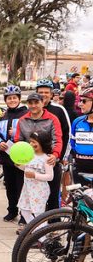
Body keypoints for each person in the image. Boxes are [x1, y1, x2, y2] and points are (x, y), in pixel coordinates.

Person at [13, 93, 63, 214]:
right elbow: (18, 140)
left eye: (36, 102)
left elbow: (57, 139)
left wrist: (55, 155)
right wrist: (18, 158)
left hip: (47, 160)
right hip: (29, 162)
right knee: (26, 196)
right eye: (30, 103)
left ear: (42, 103)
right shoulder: (22, 120)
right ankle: (27, 225)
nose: (33, 105)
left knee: (52, 196)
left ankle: (53, 225)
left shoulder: (53, 119)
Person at [36, 79, 72, 212]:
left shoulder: (59, 110)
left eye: (46, 92)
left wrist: (61, 157)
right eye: (41, 92)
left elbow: (67, 134)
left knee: (52, 194)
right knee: (34, 194)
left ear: (52, 94)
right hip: (35, 160)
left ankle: (54, 224)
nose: (44, 95)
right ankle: (32, 224)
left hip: (53, 160)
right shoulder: (32, 109)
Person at [0, 85, 28, 221]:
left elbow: (32, 133)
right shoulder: (3, 115)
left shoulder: (26, 114)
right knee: (10, 186)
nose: (12, 100)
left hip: (21, 158)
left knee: (22, 186)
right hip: (6, 156)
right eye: (9, 98)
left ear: (19, 99)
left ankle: (24, 214)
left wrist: (17, 133)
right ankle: (12, 210)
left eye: (15, 98)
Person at [15, 132, 54, 234]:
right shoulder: (29, 155)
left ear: (42, 143)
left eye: (34, 142)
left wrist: (35, 175)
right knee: (24, 209)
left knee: (39, 214)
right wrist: (19, 165)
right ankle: (37, 233)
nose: (31, 144)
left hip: (39, 190)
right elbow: (27, 169)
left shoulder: (46, 159)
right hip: (27, 188)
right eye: (30, 141)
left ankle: (42, 237)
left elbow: (50, 177)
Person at [71, 87, 93, 185]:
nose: (80, 104)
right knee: (79, 200)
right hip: (80, 169)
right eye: (80, 101)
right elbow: (72, 143)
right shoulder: (77, 122)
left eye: (84, 101)